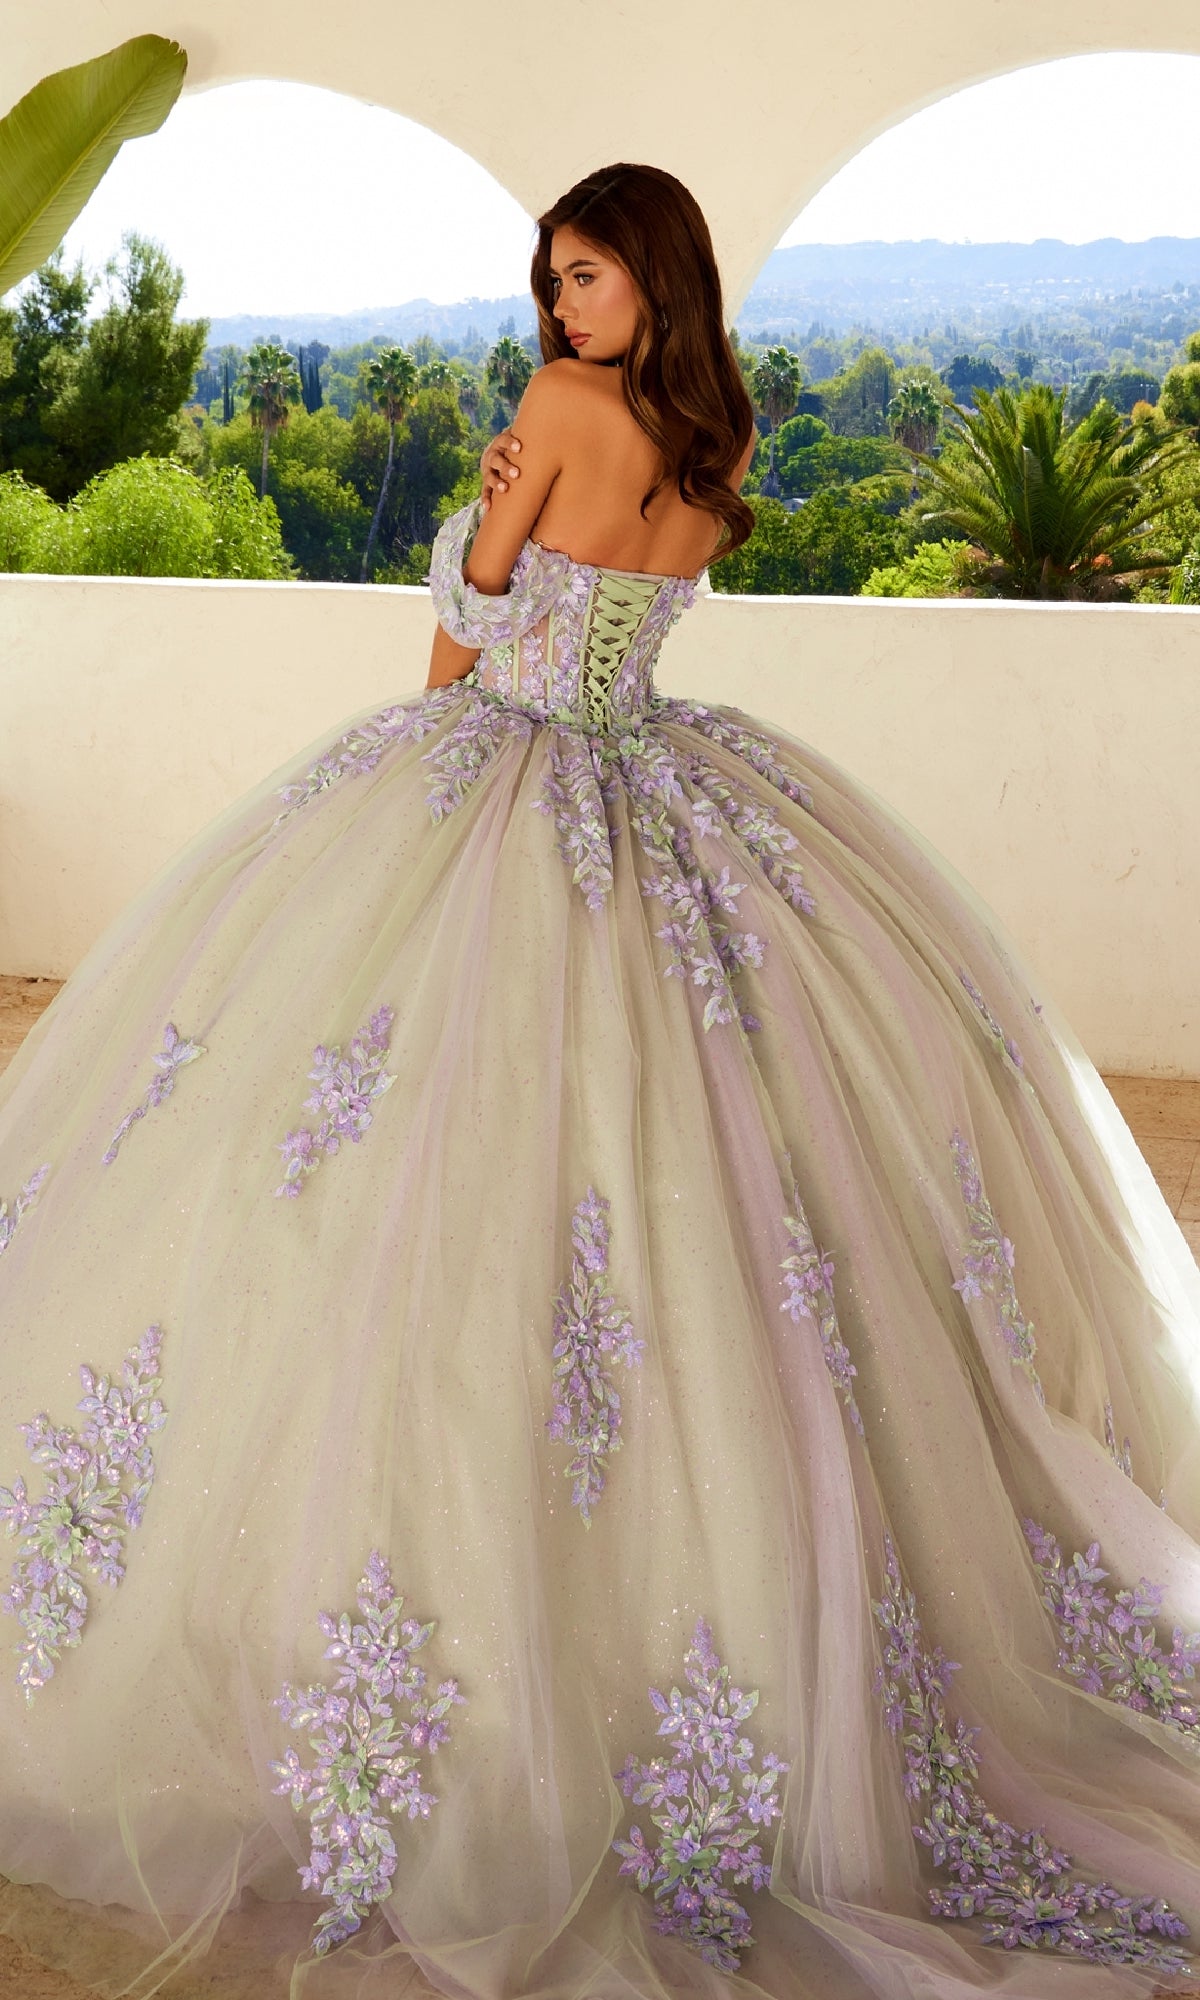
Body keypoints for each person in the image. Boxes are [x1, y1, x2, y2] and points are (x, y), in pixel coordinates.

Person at [0, 160, 1198, 2000]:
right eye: (555, 283)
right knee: (712, 1211)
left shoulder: (555, 415)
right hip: (672, 792)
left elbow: (478, 627)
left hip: (500, 774)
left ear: (652, 281)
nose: (564, 312)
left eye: (590, 279)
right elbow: (625, 624)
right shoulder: (710, 448)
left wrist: (448, 631)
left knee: (393, 1182)